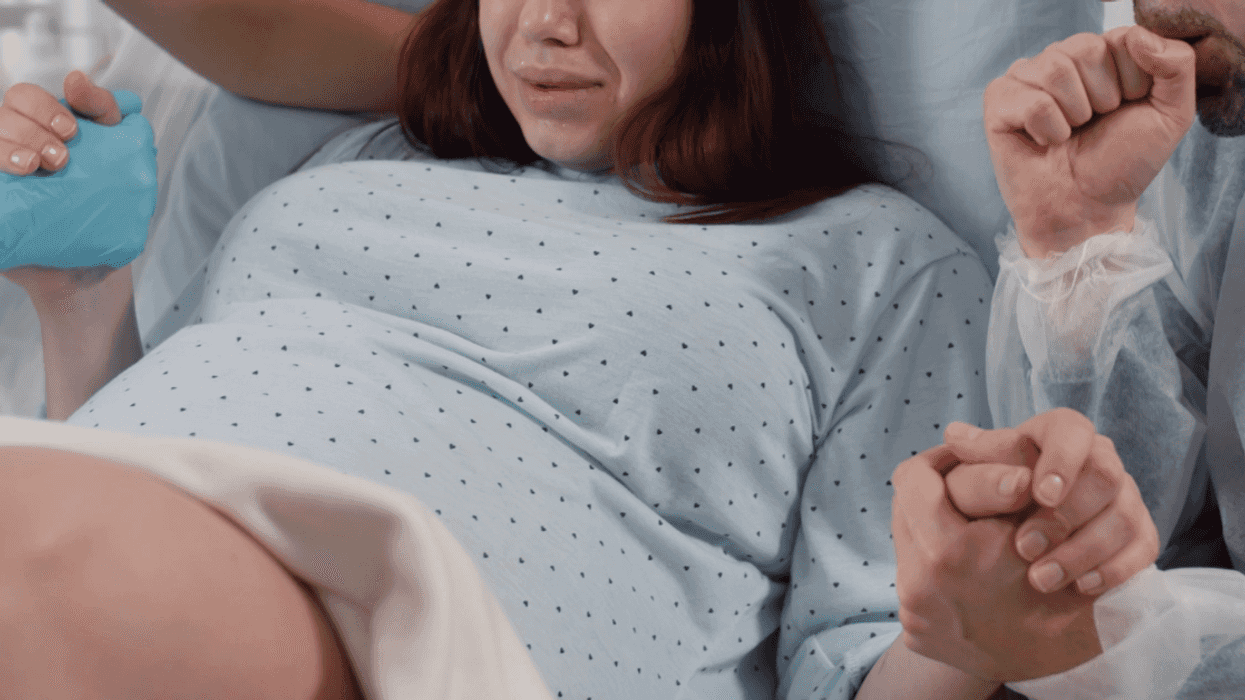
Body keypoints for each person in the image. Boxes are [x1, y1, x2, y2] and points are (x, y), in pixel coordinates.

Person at [0, 0, 1158, 698]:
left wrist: (970, 641)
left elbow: (862, 663)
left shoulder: (874, 260)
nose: (545, 23)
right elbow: (149, 433)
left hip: (409, 619)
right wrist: (80, 300)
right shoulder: (357, 160)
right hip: (117, 512)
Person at [892, 0, 1245, 696]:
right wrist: (1077, 244)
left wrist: (1084, 661)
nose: (1153, 9)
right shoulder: (1216, 146)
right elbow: (1150, 549)